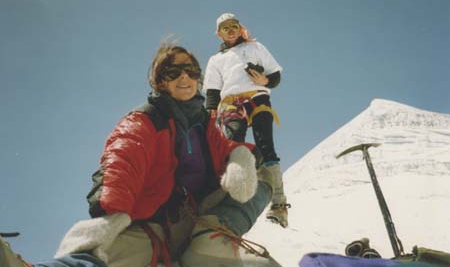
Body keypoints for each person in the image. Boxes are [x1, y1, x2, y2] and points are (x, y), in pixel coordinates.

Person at [1, 43, 279, 267]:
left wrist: (240, 157)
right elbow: (123, 160)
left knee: (261, 172)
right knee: (103, 256)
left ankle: (213, 236)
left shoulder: (205, 125)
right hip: (154, 225)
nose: (184, 76)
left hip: (200, 219)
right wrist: (113, 214)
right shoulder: (146, 120)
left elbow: (225, 149)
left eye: (190, 69)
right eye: (173, 72)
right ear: (160, 82)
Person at [203, 12, 290, 228]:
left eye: (234, 26)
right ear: (218, 33)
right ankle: (230, 198)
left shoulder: (255, 48)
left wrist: (265, 80)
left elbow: (275, 76)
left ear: (240, 28)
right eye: (225, 28)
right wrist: (210, 116)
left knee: (265, 144)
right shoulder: (216, 60)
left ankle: (279, 205)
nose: (230, 31)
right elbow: (212, 91)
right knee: (232, 147)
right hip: (230, 102)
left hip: (257, 97)